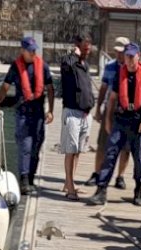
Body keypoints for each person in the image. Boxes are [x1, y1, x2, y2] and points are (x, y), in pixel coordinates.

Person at [88, 42, 141, 206]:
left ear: (138, 56)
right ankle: (101, 190)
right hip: (120, 121)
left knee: (138, 159)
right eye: (127, 56)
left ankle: (138, 189)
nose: (129, 59)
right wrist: (107, 121)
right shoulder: (119, 74)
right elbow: (112, 98)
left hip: (138, 123)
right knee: (110, 154)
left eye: (132, 56)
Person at [0, 36, 54, 195]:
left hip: (38, 113)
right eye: (30, 50)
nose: (33, 53)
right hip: (23, 113)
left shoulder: (42, 66)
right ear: (23, 51)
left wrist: (51, 110)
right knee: (25, 146)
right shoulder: (15, 67)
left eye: (34, 50)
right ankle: (24, 180)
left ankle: (31, 178)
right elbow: (4, 88)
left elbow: (50, 88)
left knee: (36, 146)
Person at [86, 37, 131, 190]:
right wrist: (98, 109)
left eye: (121, 52)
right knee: (102, 143)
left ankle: (120, 176)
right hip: (109, 109)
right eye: (116, 51)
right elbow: (104, 88)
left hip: (126, 112)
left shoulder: (133, 67)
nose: (118, 54)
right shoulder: (110, 67)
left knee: (126, 147)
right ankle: (97, 173)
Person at [59, 34, 95, 200]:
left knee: (78, 150)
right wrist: (73, 53)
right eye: (85, 48)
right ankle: (70, 187)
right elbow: (65, 63)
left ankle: (69, 181)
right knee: (70, 150)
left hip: (84, 114)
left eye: (89, 48)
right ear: (78, 45)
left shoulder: (84, 65)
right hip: (72, 112)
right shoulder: (69, 62)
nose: (87, 51)